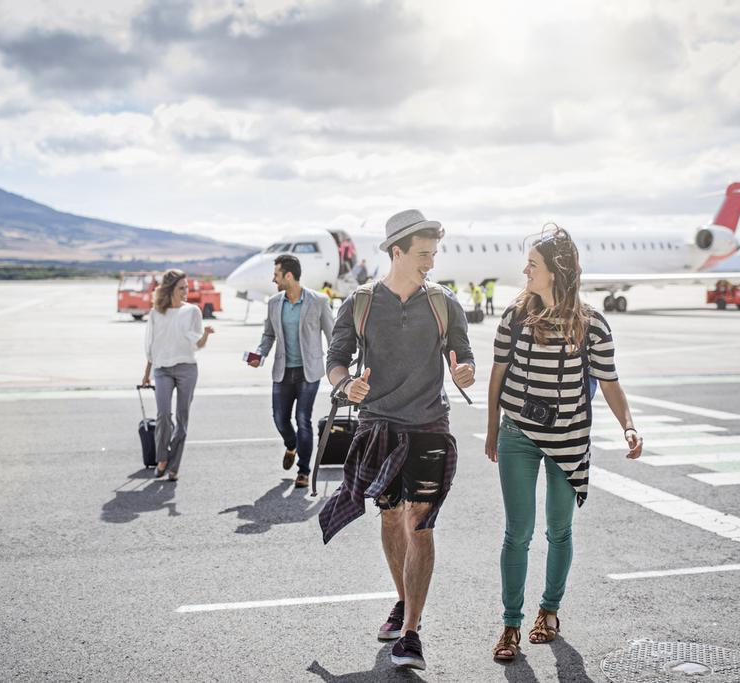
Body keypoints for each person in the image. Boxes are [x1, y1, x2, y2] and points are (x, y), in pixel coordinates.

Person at [320, 209, 476, 672]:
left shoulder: (443, 302)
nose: (431, 261)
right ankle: (402, 600)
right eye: (423, 253)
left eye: (434, 252)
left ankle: (411, 632)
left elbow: (462, 353)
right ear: (397, 252)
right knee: (390, 520)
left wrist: (463, 369)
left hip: (429, 426)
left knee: (420, 524)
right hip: (377, 427)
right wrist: (346, 385)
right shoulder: (361, 302)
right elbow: (336, 358)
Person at [485, 228, 642, 662]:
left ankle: (549, 611)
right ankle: (511, 624)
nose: (525, 271)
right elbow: (497, 375)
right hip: (518, 434)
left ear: (556, 271)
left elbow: (609, 382)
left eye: (532, 264)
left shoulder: (591, 323)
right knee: (517, 532)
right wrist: (493, 430)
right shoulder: (514, 316)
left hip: (569, 437)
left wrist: (628, 425)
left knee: (559, 529)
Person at [250, 255, 334, 488]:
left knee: (303, 419)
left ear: (289, 276)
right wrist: (260, 354)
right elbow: (268, 335)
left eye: (276, 274)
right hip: (283, 371)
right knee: (280, 419)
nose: (273, 279)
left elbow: (333, 335)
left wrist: (340, 367)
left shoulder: (318, 301)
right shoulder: (274, 302)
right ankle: (291, 445)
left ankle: (303, 471)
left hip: (309, 371)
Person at [141, 269, 214, 482]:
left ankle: (174, 466)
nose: (186, 291)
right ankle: (162, 458)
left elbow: (197, 344)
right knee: (163, 415)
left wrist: (206, 335)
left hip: (186, 369)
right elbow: (152, 346)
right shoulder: (157, 313)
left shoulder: (192, 311)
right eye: (181, 288)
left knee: (182, 419)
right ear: (170, 289)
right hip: (162, 369)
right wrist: (147, 373)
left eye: (187, 287)